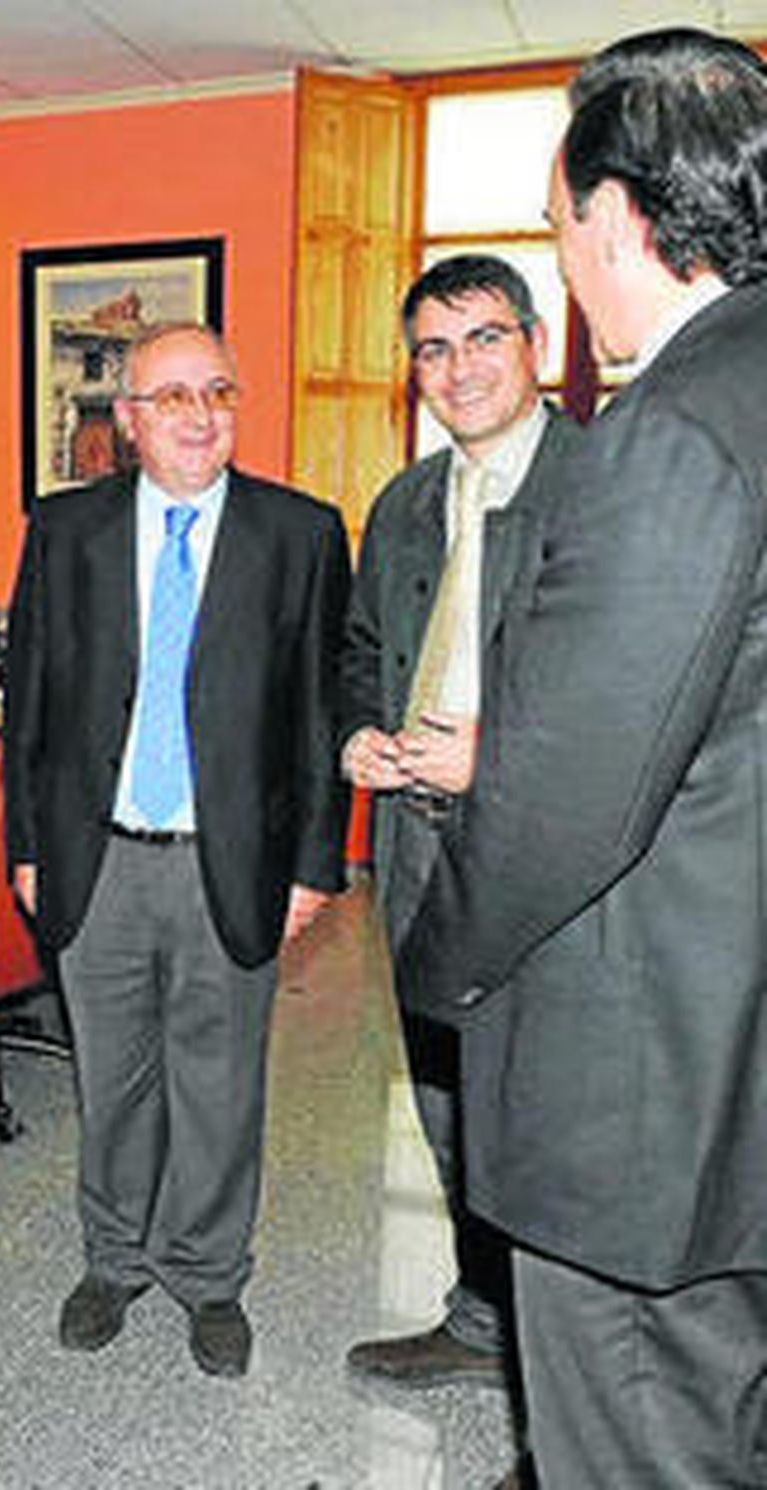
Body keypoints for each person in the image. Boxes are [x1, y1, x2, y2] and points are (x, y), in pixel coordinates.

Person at [397, 28, 767, 1486]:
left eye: (557, 229)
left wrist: (437, 966)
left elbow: (566, 797)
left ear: (616, 217)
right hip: (730, 1033)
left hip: (643, 1086)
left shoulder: (670, 430)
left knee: (635, 1435)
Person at [4, 322, 350, 1377]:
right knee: (113, 1080)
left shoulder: (299, 533)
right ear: (127, 421)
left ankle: (207, 1275)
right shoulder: (65, 530)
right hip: (95, 857)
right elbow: (33, 703)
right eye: (171, 397)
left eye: (217, 392)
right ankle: (112, 1259)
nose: (199, 416)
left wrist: (312, 865)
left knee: (218, 1082)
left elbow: (318, 717)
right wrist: (27, 842)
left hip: (228, 861)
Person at [339, 256, 582, 1391]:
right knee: (444, 1096)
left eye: (484, 337)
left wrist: (499, 753)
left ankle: (562, 1379)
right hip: (417, 849)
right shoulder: (403, 502)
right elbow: (355, 653)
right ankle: (484, 1319)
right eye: (433, 348)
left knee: (551, 1109)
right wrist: (355, 735)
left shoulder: (604, 487)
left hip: (548, 851)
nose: (458, 368)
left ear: (534, 342)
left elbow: (649, 689)